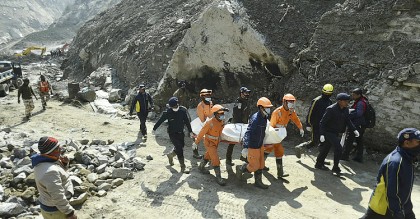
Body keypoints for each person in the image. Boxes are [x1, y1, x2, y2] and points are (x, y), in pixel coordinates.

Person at [361, 128, 420, 219]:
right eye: (418, 142)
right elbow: (392, 192)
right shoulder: (396, 162)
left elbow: (404, 187)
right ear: (407, 143)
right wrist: (398, 213)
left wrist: (407, 207)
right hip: (384, 209)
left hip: (402, 205)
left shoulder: (408, 158)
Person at [31, 137, 77, 219]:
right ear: (51, 151)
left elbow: (59, 174)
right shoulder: (50, 172)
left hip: (51, 207)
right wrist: (70, 213)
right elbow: (57, 196)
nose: (60, 149)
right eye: (57, 148)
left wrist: (64, 163)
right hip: (57, 211)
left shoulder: (43, 160)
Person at [315, 93, 359, 174]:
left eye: (348, 101)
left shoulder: (345, 109)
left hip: (336, 132)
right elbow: (322, 122)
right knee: (339, 148)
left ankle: (319, 163)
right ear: (340, 101)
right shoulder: (331, 109)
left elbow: (347, 120)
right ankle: (335, 167)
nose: (347, 103)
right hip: (328, 132)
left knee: (326, 148)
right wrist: (321, 134)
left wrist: (354, 130)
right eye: (346, 101)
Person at [236, 97, 273, 189]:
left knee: (261, 164)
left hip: (260, 145)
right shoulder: (256, 119)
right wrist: (245, 147)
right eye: (267, 108)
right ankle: (241, 168)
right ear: (261, 108)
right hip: (253, 146)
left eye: (269, 107)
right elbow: (248, 132)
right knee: (254, 166)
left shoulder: (264, 117)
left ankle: (258, 181)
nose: (269, 109)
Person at [265, 93, 304, 178]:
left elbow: (296, 119)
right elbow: (271, 125)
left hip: (280, 133)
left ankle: (276, 171)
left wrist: (300, 128)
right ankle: (262, 167)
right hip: (274, 133)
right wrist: (271, 136)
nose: (291, 103)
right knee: (273, 149)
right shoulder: (277, 112)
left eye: (292, 102)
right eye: (290, 101)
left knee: (273, 150)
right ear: (284, 102)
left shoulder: (291, 111)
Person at [153, 97, 194, 174]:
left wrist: (190, 131)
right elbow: (160, 120)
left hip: (181, 132)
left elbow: (187, 122)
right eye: (172, 107)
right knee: (179, 149)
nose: (174, 108)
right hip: (172, 134)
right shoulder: (167, 113)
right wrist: (154, 128)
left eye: (175, 106)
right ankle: (183, 167)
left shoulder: (182, 111)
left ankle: (170, 155)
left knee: (181, 146)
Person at [193, 104, 229, 186]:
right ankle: (219, 178)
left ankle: (201, 167)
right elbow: (202, 132)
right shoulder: (210, 123)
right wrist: (196, 142)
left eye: (223, 113)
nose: (222, 115)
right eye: (220, 114)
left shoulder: (221, 122)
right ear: (216, 114)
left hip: (216, 142)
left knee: (208, 155)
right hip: (209, 142)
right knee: (215, 158)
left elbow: (221, 129)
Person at [295, 84, 333, 158]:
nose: (327, 95)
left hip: (324, 125)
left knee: (324, 142)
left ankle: (321, 159)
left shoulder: (330, 102)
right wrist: (308, 124)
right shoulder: (316, 100)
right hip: (315, 124)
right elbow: (310, 112)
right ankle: (301, 147)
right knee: (314, 141)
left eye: (328, 94)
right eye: (326, 94)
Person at [342, 88, 368, 162]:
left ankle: (345, 156)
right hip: (361, 125)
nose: (352, 96)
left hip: (357, 124)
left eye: (354, 95)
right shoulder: (362, 101)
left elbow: (359, 113)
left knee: (349, 140)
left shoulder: (360, 103)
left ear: (359, 95)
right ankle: (359, 157)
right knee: (359, 141)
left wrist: (349, 116)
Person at [227, 86, 252, 166]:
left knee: (245, 141)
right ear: (241, 93)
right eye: (245, 93)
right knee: (232, 142)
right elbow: (236, 115)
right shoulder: (239, 103)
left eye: (248, 93)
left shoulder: (246, 101)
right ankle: (228, 159)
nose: (247, 94)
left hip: (244, 124)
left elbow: (247, 113)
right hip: (238, 124)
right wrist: (240, 125)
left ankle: (244, 157)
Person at [193, 88, 213, 159]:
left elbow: (211, 113)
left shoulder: (210, 103)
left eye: (209, 96)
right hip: (200, 123)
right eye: (206, 96)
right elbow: (202, 119)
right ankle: (195, 153)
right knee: (198, 138)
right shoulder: (200, 106)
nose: (208, 98)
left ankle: (211, 154)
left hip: (208, 121)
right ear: (202, 97)